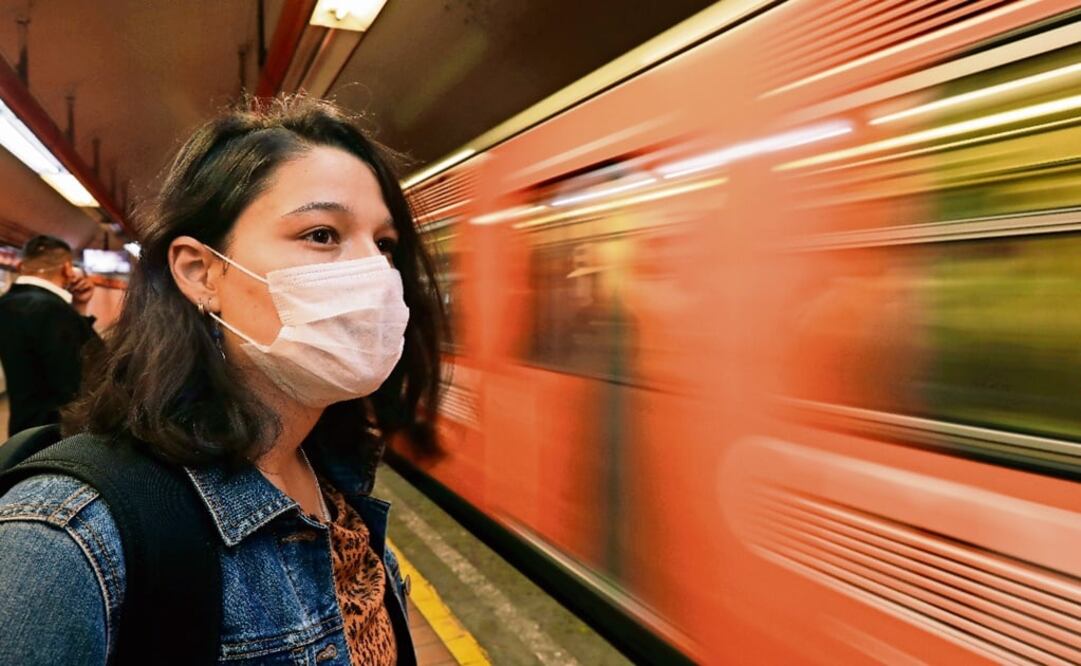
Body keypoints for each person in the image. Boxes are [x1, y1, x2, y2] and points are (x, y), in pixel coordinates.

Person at [0, 95, 444, 664]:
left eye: (384, 245)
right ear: (200, 273)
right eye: (321, 234)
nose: (375, 273)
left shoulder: (332, 472)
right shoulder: (66, 538)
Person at [0, 235, 99, 436]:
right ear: (67, 269)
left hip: (24, 428)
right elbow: (78, 380)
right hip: (58, 432)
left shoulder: (6, 303)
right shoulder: (54, 310)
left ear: (20, 266)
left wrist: (78, 307)